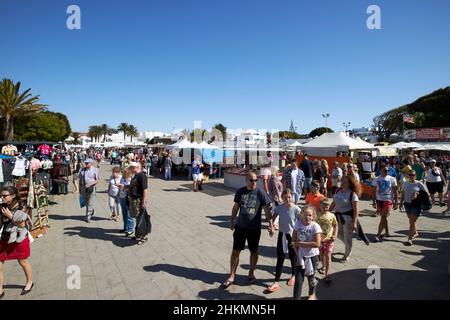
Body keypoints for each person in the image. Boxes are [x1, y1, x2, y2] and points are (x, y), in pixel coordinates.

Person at [223, 171, 274, 288]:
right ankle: (232, 275)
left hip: (254, 229)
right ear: (246, 180)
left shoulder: (260, 192)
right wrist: (231, 220)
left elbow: (267, 209)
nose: (254, 182)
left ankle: (251, 274)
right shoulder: (240, 191)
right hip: (240, 227)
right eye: (251, 180)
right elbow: (236, 206)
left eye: (256, 180)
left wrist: (271, 225)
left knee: (254, 251)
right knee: (236, 251)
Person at [0, 186, 34, 298]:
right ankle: (0, 289)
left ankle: (29, 283)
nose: (2, 197)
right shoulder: (2, 206)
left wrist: (10, 215)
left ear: (13, 196)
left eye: (5, 195)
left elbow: (22, 224)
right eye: (1, 195)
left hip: (19, 237)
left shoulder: (22, 206)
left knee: (22, 261)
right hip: (4, 238)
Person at [266, 189, 300, 293]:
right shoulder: (279, 207)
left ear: (292, 197)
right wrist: (272, 227)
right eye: (285, 197)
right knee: (280, 257)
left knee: (293, 257)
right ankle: (276, 281)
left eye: (289, 197)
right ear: (282, 198)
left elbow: (301, 222)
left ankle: (294, 275)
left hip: (292, 236)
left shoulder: (296, 209)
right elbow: (272, 217)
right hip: (282, 235)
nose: (288, 199)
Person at [292, 206, 322, 300]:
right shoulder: (298, 224)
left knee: (311, 279)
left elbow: (317, 244)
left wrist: (301, 243)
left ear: (313, 216)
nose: (307, 217)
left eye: (309, 215)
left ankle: (311, 294)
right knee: (298, 280)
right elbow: (293, 239)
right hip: (300, 256)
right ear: (301, 215)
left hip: (312, 256)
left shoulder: (315, 226)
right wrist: (297, 252)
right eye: (305, 215)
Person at [329, 176, 360, 262]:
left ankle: (346, 255)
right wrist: (327, 212)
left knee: (348, 236)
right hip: (337, 217)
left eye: (345, 182)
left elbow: (356, 210)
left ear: (349, 184)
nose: (342, 183)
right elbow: (333, 202)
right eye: (342, 181)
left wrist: (354, 222)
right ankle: (348, 245)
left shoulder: (352, 194)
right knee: (337, 234)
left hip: (348, 219)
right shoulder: (338, 190)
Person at [372, 165, 398, 242]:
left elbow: (395, 191)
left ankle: (378, 234)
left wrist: (396, 202)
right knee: (384, 217)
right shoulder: (376, 179)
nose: (387, 172)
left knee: (383, 217)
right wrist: (373, 201)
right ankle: (387, 233)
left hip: (388, 200)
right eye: (385, 170)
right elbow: (373, 191)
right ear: (380, 170)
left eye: (387, 170)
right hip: (379, 200)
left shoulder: (392, 179)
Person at [400, 170, 426, 246]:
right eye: (410, 175)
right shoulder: (405, 183)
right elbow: (403, 193)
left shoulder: (419, 184)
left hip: (416, 205)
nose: (411, 176)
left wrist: (417, 194)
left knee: (412, 221)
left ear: (415, 176)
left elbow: (425, 194)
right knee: (411, 220)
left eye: (413, 175)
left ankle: (409, 239)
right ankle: (415, 232)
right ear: (408, 176)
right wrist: (401, 203)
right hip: (407, 204)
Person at [317, 199, 338, 283]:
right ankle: (323, 266)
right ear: (320, 206)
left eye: (327, 206)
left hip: (329, 240)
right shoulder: (317, 215)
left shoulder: (332, 215)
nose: (325, 207)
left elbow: (335, 225)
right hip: (319, 240)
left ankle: (327, 274)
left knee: (328, 256)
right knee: (321, 254)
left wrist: (335, 235)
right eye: (323, 206)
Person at [129, 162, 149, 245]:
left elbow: (145, 189)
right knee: (136, 218)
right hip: (133, 200)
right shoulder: (136, 176)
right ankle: (138, 235)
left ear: (137, 167)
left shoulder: (142, 176)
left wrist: (144, 201)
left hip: (138, 200)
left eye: (132, 167)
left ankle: (143, 236)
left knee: (140, 218)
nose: (131, 169)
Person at [79, 158, 100, 223]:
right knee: (86, 202)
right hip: (83, 188)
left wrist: (90, 184)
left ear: (91, 163)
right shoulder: (82, 170)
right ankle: (91, 210)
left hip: (91, 188)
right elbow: (79, 178)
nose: (86, 164)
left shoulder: (95, 170)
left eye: (87, 163)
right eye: (85, 163)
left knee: (90, 202)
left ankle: (88, 217)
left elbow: (98, 180)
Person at [118, 167, 134, 237]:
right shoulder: (122, 178)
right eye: (122, 172)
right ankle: (125, 228)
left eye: (124, 172)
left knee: (129, 214)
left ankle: (130, 229)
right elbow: (121, 188)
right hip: (122, 197)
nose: (122, 173)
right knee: (124, 213)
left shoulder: (131, 180)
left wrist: (124, 187)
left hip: (128, 198)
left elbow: (132, 188)